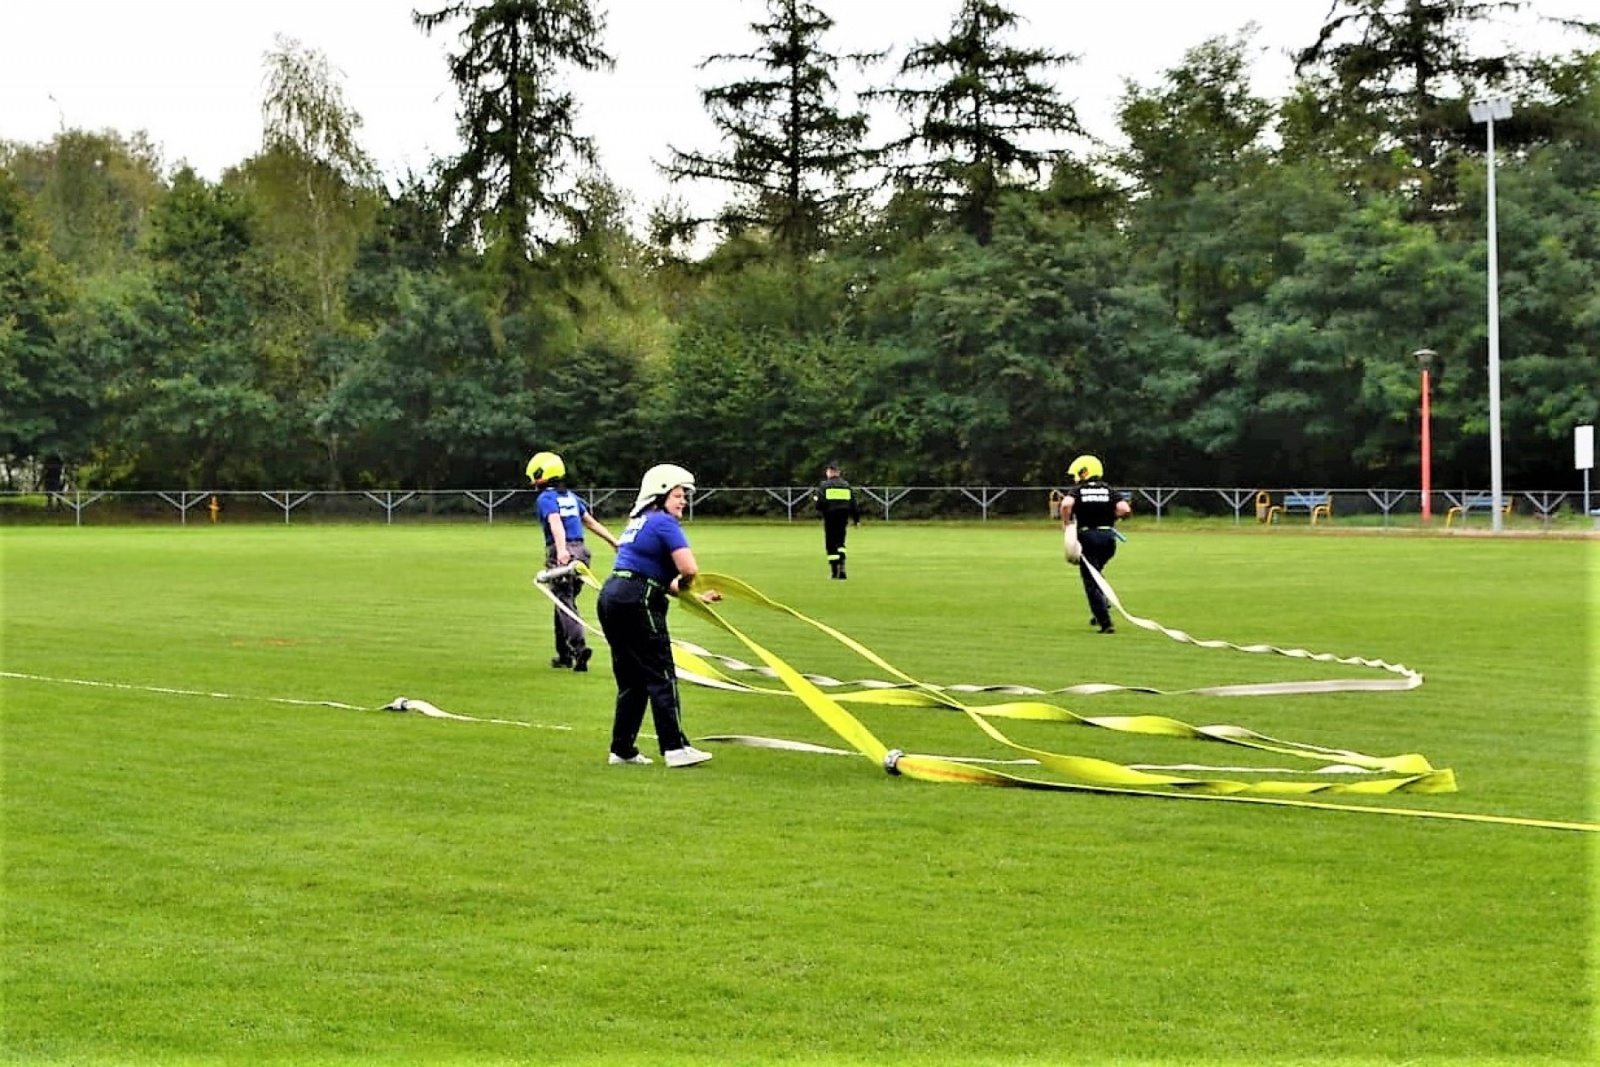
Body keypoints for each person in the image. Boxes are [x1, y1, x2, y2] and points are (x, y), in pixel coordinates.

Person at [597, 462, 722, 768]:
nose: (683, 501)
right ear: (661, 494)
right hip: (639, 601)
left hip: (612, 596)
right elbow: (688, 569)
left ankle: (622, 749)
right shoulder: (665, 523)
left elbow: (660, 578)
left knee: (632, 680)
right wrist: (691, 583)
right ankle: (675, 747)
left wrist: (695, 596)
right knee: (661, 673)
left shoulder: (639, 522)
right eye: (678, 494)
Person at [528, 451, 619, 672]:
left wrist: (560, 551)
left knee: (565, 603)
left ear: (541, 474)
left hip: (563, 552)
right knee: (562, 601)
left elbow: (555, 522)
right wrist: (614, 542)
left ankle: (579, 648)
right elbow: (590, 522)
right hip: (582, 553)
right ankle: (564, 654)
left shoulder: (546, 499)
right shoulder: (570, 497)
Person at [1059, 453, 1132, 634]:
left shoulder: (1078, 490)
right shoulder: (1108, 489)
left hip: (1087, 537)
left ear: (1083, 472)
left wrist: (1066, 523)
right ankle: (1103, 603)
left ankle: (1105, 622)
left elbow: (1066, 505)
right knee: (1096, 572)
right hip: (1108, 539)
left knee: (1090, 580)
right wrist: (1115, 517)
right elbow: (1125, 509)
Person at [812, 460, 861, 579]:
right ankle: (842, 566)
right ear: (838, 472)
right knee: (841, 542)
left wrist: (816, 502)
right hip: (843, 517)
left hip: (830, 517)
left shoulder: (824, 485)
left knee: (830, 543)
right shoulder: (846, 485)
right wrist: (856, 520)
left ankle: (834, 571)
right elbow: (853, 503)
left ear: (829, 472)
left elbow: (821, 504)